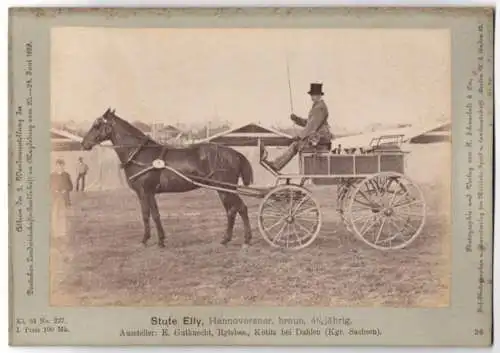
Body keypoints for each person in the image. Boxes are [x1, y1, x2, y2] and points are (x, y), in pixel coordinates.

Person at [260, 82, 333, 172]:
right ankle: (276, 164)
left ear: (319, 95)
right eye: (311, 95)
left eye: (313, 95)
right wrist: (297, 119)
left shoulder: (320, 107)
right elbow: (309, 123)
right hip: (318, 139)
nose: (311, 97)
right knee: (295, 143)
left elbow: (311, 126)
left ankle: (276, 165)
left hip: (320, 140)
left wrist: (299, 136)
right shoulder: (318, 106)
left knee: (295, 145)